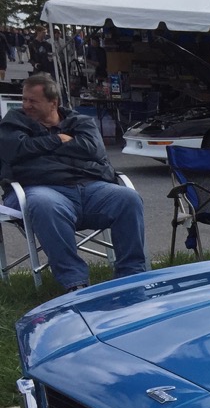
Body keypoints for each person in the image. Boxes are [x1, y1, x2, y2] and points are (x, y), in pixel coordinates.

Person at [0, 73, 148, 292]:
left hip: (90, 187)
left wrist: (39, 149)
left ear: (53, 103)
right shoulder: (13, 122)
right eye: (24, 99)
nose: (26, 105)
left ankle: (132, 276)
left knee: (128, 198)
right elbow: (16, 150)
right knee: (45, 204)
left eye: (33, 101)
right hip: (39, 189)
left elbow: (94, 150)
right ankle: (75, 284)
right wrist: (58, 140)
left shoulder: (80, 122)